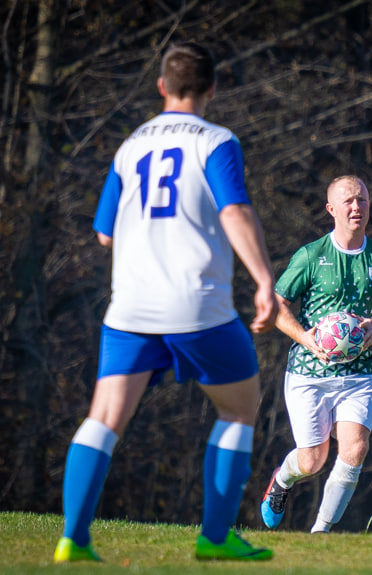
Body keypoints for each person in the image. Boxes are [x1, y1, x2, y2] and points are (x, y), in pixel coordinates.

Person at [53, 41, 278, 563]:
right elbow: (235, 212)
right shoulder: (216, 140)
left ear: (161, 87)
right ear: (212, 89)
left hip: (129, 307)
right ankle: (216, 538)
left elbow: (104, 235)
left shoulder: (130, 145)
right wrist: (264, 278)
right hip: (197, 305)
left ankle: (73, 538)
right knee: (239, 408)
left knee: (104, 417)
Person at [260, 175, 372, 533]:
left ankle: (322, 532)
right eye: (347, 201)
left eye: (361, 199)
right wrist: (304, 337)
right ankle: (281, 481)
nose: (356, 207)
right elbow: (277, 306)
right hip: (307, 373)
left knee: (355, 449)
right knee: (313, 460)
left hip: (357, 375)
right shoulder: (311, 255)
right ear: (331, 209)